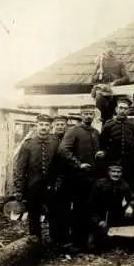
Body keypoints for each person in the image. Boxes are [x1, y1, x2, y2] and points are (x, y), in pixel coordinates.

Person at [59, 104, 101, 251]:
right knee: (78, 209)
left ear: (94, 115)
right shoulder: (74, 131)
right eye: (86, 114)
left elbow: (97, 151)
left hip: (93, 178)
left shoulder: (96, 132)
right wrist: (78, 164)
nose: (88, 116)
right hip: (77, 178)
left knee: (91, 208)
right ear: (81, 115)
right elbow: (63, 150)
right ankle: (77, 242)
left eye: (91, 114)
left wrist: (100, 155)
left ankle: (89, 241)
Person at [13, 114, 60, 240]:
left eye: (46, 125)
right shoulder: (28, 145)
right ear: (36, 126)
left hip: (51, 186)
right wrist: (19, 188)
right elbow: (20, 168)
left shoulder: (55, 143)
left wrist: (57, 182)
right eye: (41, 125)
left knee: (54, 214)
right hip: (33, 186)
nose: (43, 127)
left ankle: (54, 243)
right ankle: (35, 243)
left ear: (50, 127)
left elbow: (60, 165)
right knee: (34, 215)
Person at [86, 161, 134, 254]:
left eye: (118, 172)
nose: (116, 174)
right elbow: (90, 206)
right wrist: (98, 221)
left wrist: (130, 206)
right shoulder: (99, 184)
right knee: (93, 247)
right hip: (99, 217)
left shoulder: (124, 184)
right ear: (108, 172)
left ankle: (129, 241)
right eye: (113, 171)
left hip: (115, 215)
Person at [98, 97, 134, 194]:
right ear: (116, 109)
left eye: (125, 108)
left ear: (128, 110)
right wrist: (108, 157)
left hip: (130, 163)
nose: (122, 111)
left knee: (131, 188)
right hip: (113, 163)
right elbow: (101, 144)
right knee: (112, 189)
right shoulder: (108, 125)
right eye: (120, 108)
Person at [91, 40, 130, 125]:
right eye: (108, 47)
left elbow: (126, 78)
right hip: (103, 89)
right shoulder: (100, 62)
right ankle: (105, 119)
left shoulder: (120, 62)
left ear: (115, 49)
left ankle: (109, 121)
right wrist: (98, 74)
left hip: (115, 90)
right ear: (105, 49)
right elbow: (93, 80)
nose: (110, 49)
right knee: (99, 98)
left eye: (112, 47)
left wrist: (115, 82)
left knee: (118, 104)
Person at [49, 114, 72, 248]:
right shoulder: (50, 141)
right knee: (53, 210)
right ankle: (54, 239)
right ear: (53, 126)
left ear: (66, 126)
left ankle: (65, 238)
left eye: (62, 124)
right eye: (57, 124)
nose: (60, 127)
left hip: (68, 179)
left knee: (66, 209)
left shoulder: (69, 138)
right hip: (53, 180)